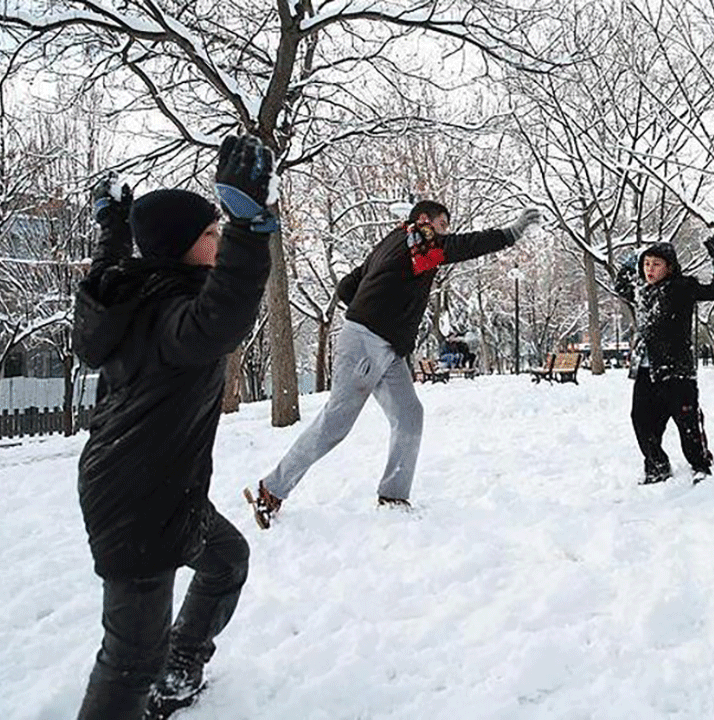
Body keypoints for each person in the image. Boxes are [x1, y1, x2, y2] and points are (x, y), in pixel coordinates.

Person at [74, 135, 277, 720]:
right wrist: (249, 227)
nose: (218, 240)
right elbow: (224, 314)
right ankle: (157, 678)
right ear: (182, 248)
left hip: (159, 487)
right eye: (211, 234)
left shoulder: (134, 291)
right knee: (130, 659)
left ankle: (181, 664)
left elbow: (109, 266)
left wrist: (113, 224)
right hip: (137, 502)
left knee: (226, 560)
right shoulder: (174, 317)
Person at [246, 202, 541, 526]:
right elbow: (463, 245)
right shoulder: (419, 239)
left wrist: (377, 304)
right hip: (366, 342)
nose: (445, 233)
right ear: (424, 220)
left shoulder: (394, 242)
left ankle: (393, 496)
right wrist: (511, 233)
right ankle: (271, 489)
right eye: (443, 224)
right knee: (335, 423)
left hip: (386, 346)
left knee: (408, 415)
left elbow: (347, 286)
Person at [613, 236, 714, 484]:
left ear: (669, 267)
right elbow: (621, 286)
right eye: (646, 264)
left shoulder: (682, 287)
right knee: (641, 421)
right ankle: (657, 466)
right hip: (646, 370)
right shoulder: (642, 292)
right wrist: (631, 260)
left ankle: (700, 464)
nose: (649, 269)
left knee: (687, 422)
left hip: (677, 370)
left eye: (656, 264)